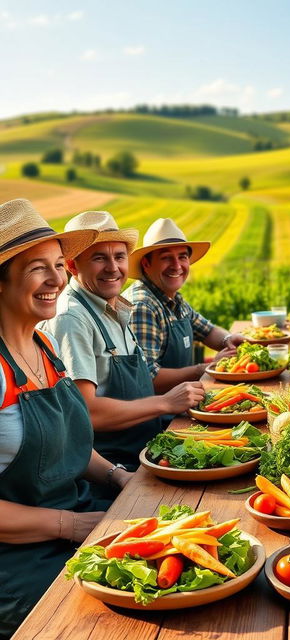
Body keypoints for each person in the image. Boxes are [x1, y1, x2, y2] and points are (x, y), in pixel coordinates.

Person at [0, 199, 131, 638]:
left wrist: (117, 477)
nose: (57, 279)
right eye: (38, 268)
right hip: (20, 562)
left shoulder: (45, 348)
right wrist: (72, 526)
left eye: (59, 264)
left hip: (77, 521)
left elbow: (69, 444)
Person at [43, 212, 205, 474]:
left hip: (145, 452)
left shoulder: (112, 307)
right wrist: (165, 402)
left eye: (119, 257)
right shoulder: (72, 318)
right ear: (73, 266)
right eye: (99, 258)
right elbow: (87, 412)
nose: (113, 268)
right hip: (114, 469)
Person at [124, 218, 244, 393]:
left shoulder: (172, 298)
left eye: (182, 257)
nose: (177, 266)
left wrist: (228, 340)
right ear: (146, 263)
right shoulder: (143, 306)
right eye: (166, 258)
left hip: (181, 402)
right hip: (159, 415)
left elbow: (207, 330)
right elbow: (147, 376)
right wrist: (204, 369)